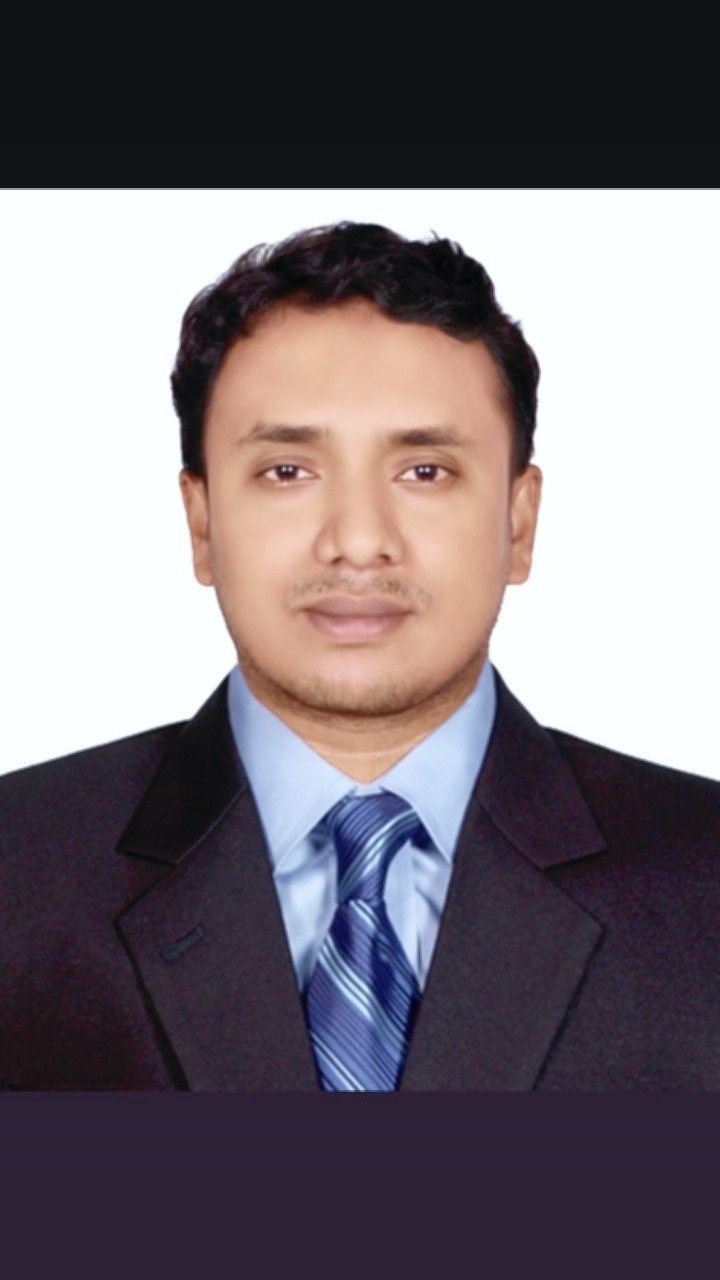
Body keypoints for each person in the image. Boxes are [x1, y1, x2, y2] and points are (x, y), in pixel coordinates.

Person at [1, 221, 719, 1092]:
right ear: (202, 523)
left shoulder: (702, 880)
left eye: (424, 472)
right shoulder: (19, 871)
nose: (357, 540)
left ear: (519, 523)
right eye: (287, 471)